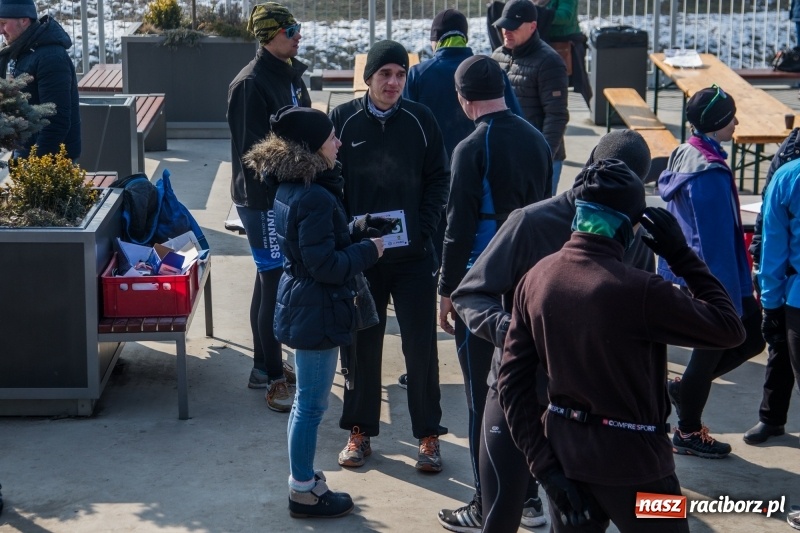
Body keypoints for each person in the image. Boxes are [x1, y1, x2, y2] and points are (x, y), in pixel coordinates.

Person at [498, 160, 746, 532]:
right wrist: (681, 256)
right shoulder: (641, 290)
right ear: (632, 226)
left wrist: (545, 470)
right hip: (640, 468)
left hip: (566, 462)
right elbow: (730, 328)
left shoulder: (537, 278)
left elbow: (511, 384)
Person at [448, 129, 655, 532]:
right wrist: (517, 332)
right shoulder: (531, 221)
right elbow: (469, 295)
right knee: (500, 516)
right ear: (591, 167)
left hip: (585, 410)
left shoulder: (637, 238)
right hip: (517, 392)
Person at [245, 106, 385, 518]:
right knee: (310, 405)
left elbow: (313, 247)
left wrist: (354, 229)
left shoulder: (294, 185)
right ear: (311, 147)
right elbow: (325, 266)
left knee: (307, 402)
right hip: (318, 309)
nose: (339, 142)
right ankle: (303, 490)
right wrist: (368, 250)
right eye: (331, 137)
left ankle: (303, 479)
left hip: (304, 302)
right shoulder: (316, 195)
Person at [436, 54, 552, 533]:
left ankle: (486, 500)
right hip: (533, 285)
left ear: (464, 101)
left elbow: (457, 228)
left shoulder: (471, 147)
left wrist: (446, 291)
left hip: (484, 292)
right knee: (526, 391)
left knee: (480, 400)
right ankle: (529, 499)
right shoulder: (538, 140)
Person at [330, 40, 450, 472]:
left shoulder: (422, 119)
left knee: (421, 348)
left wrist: (425, 226)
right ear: (369, 79)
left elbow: (439, 177)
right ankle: (360, 431)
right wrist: (346, 233)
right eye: (385, 74)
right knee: (363, 345)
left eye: (400, 74)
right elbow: (329, 181)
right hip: (363, 257)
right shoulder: (342, 120)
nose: (394, 82)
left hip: (413, 257)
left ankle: (428, 436)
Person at [398, 8, 522, 390]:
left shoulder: (418, 74)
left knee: (433, 279)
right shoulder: (487, 70)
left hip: (433, 193)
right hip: (485, 196)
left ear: (435, 38)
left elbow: (406, 129)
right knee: (479, 279)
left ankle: (422, 366)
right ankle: (496, 355)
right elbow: (515, 120)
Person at [658, 84, 766, 458]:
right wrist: (724, 299)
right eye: (730, 117)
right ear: (717, 122)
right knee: (718, 345)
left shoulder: (687, 152)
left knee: (753, 338)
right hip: (713, 280)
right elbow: (714, 239)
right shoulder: (709, 173)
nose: (736, 122)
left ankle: (684, 388)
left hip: (706, 274)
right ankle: (687, 431)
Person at [227, 1, 307, 411]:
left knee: (268, 278)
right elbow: (255, 155)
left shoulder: (291, 74)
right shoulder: (250, 85)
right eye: (290, 29)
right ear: (269, 35)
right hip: (262, 200)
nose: (298, 34)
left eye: (297, 27)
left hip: (285, 193)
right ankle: (275, 376)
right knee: (273, 279)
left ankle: (263, 365)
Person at [743, 128, 800, 445]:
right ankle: (771, 418)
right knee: (780, 348)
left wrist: (771, 303)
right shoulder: (789, 166)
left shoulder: (788, 174)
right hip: (793, 295)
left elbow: (774, 247)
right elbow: (772, 240)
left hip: (793, 297)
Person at [492, 0, 568, 195]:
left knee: (539, 220)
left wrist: (542, 158)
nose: (506, 31)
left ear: (533, 26)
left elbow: (557, 115)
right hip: (507, 157)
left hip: (540, 160)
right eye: (503, 26)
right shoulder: (497, 57)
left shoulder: (549, 61)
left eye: (513, 27)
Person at [0, 0, 80, 160]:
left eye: (3, 23)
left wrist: (35, 164)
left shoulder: (50, 58)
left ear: (24, 20)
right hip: (28, 153)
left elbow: (55, 121)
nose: (1, 31)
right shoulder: (23, 50)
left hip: (52, 163)